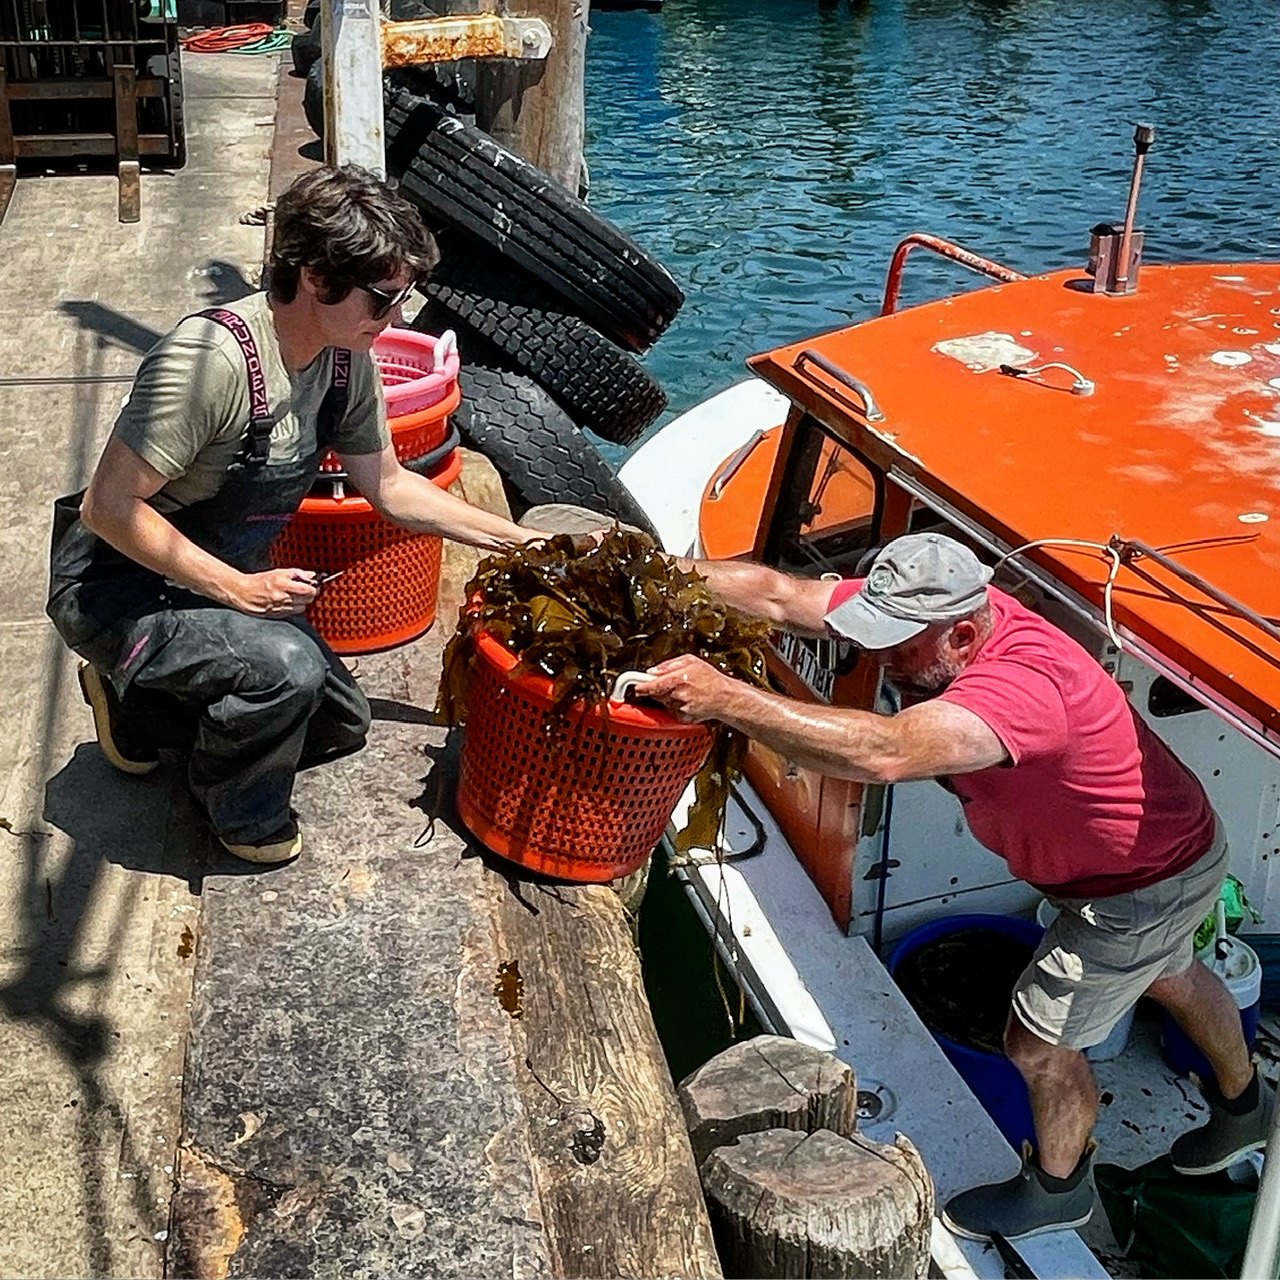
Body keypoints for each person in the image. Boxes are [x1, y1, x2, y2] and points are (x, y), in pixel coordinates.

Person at [633, 531, 1273, 1242]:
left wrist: (723, 697)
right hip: (1165, 851)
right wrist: (641, 561)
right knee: (1175, 972)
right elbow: (783, 596)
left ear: (965, 635)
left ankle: (1060, 1191)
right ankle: (1247, 1108)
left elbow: (885, 752)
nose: (881, 659)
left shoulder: (1022, 689)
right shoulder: (944, 609)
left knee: (1037, 1043)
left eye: (898, 646)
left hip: (1140, 884)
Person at [47, 164, 544, 867]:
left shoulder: (345, 358)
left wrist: (520, 541)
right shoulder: (210, 362)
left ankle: (140, 707)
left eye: (404, 299)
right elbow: (108, 507)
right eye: (383, 300)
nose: (396, 318)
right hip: (114, 584)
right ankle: (233, 811)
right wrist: (237, 590)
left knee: (341, 724)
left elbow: (392, 487)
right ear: (315, 276)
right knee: (285, 673)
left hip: (208, 582)